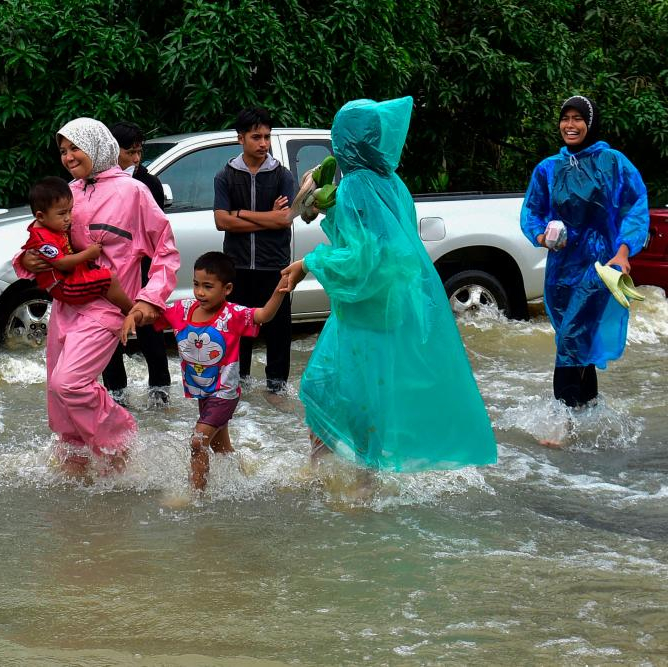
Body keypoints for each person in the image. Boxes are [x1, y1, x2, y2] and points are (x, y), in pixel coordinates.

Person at [281, 97, 497, 476]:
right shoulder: (390, 183)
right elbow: (380, 243)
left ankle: (342, 479)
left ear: (347, 141)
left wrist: (307, 263)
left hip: (365, 313)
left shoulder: (356, 188)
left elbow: (364, 258)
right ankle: (350, 477)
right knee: (360, 393)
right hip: (386, 307)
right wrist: (328, 209)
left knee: (329, 390)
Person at [14, 118, 180, 474]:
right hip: (66, 304)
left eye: (76, 148)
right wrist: (26, 261)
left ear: (98, 146)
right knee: (57, 395)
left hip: (105, 308)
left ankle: (121, 443)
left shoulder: (133, 192)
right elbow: (43, 242)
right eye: (63, 150)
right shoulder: (67, 193)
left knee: (69, 382)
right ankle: (78, 474)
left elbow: (165, 250)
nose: (69, 156)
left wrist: (149, 299)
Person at [520, 95, 649, 425]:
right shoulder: (548, 168)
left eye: (578, 118)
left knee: (571, 338)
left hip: (599, 266)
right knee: (575, 337)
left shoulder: (613, 162)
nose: (570, 125)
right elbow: (532, 211)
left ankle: (561, 425)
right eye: (566, 118)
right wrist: (540, 236)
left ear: (590, 124)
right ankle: (589, 415)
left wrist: (623, 252)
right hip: (560, 269)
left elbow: (635, 206)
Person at [121, 252, 287, 490]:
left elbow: (263, 315)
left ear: (227, 288)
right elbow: (152, 315)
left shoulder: (233, 315)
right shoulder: (183, 310)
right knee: (220, 449)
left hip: (224, 393)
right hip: (202, 392)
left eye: (208, 287)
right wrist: (133, 315)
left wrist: (280, 289)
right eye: (197, 284)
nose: (200, 292)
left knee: (198, 441)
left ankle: (196, 496)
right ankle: (246, 480)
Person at [213, 107, 296, 395]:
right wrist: (266, 219)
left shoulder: (282, 176)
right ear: (240, 138)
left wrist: (242, 213)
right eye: (256, 137)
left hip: (274, 265)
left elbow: (285, 219)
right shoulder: (225, 175)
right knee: (238, 330)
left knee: (278, 331)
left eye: (267, 137)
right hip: (237, 266)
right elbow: (221, 221)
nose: (263, 143)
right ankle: (238, 388)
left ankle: (277, 390)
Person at [101, 121, 173, 406]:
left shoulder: (148, 183)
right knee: (110, 333)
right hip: (110, 272)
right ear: (110, 151)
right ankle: (116, 396)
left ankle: (160, 392)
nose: (136, 158)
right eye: (129, 152)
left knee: (149, 331)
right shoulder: (97, 182)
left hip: (140, 268)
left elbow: (154, 233)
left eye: (139, 152)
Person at [22, 176, 133, 314]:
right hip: (63, 286)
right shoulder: (42, 238)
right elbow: (61, 263)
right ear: (40, 216)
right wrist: (88, 254)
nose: (68, 218)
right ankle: (132, 311)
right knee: (109, 279)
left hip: (69, 277)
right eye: (62, 213)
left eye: (70, 210)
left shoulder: (52, 227)